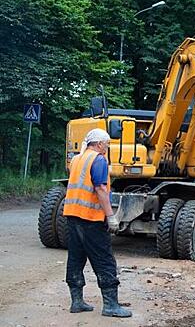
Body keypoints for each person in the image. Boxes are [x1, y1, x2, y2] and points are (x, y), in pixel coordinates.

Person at [63, 128, 132, 318]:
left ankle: (77, 302)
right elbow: (100, 189)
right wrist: (111, 216)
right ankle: (110, 305)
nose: (107, 148)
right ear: (100, 144)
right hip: (91, 218)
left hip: (72, 215)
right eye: (107, 145)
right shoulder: (98, 159)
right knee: (104, 260)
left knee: (76, 259)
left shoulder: (77, 159)